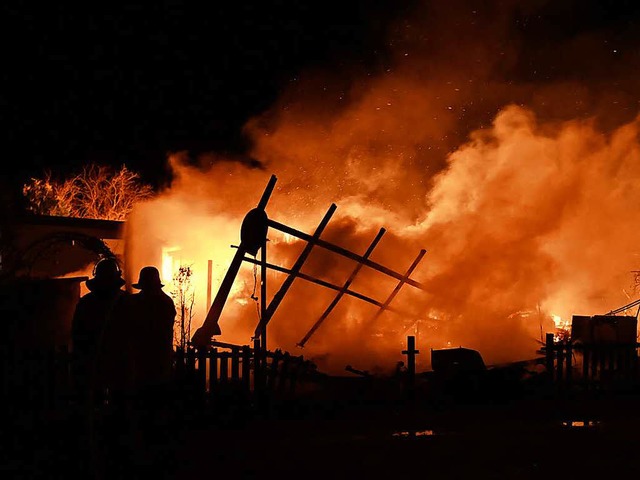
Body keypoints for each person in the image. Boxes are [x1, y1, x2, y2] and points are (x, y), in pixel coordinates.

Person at [71, 257, 129, 405]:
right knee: (119, 403)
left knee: (94, 403)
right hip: (120, 362)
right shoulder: (126, 301)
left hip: (93, 361)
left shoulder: (86, 302)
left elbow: (77, 333)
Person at [127, 266, 177, 430]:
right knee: (158, 399)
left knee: (142, 400)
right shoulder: (166, 302)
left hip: (140, 359)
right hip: (160, 359)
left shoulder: (135, 303)